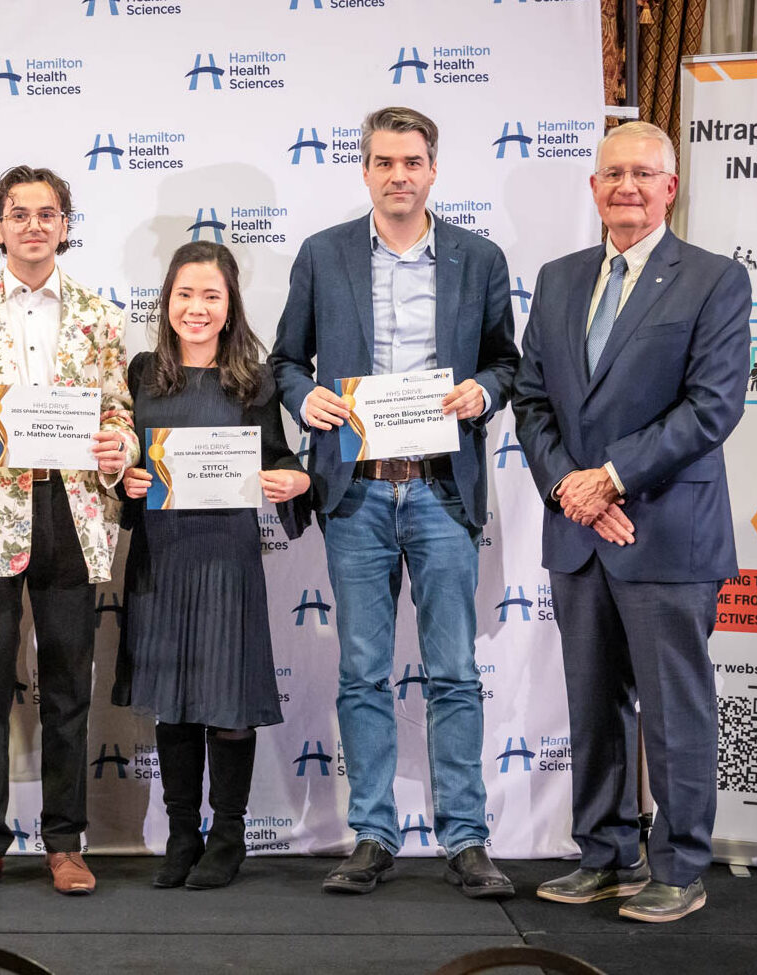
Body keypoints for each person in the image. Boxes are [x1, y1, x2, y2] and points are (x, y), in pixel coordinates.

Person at [268, 106, 520, 899]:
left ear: (434, 168)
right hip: (359, 493)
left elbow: (507, 364)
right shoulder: (323, 254)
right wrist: (304, 397)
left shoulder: (479, 258)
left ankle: (467, 839)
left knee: (452, 672)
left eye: (412, 161)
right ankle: (373, 833)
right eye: (384, 162)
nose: (398, 174)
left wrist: (484, 389)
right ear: (365, 170)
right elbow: (283, 362)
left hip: (442, 491)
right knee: (363, 672)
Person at [512, 121, 750, 923]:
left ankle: (679, 866)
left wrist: (610, 479)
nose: (627, 187)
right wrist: (568, 489)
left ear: (670, 187)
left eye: (644, 174)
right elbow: (532, 398)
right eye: (613, 173)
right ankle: (606, 853)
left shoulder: (714, 280)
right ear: (593, 187)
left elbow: (712, 407)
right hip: (578, 533)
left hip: (668, 530)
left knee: (674, 707)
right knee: (593, 703)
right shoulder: (557, 277)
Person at [0, 165, 137, 897]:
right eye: (20, 214)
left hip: (72, 513)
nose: (34, 225)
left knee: (70, 684)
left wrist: (121, 450)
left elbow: (119, 416)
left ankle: (65, 840)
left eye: (48, 213)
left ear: (66, 225)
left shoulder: (102, 317)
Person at [116, 241, 310, 890]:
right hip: (161, 558)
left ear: (230, 308)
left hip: (228, 561)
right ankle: (180, 834)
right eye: (184, 295)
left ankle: (227, 836)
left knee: (228, 706)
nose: (196, 308)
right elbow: (119, 468)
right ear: (166, 302)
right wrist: (128, 483)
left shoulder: (255, 380)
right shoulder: (141, 373)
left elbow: (279, 458)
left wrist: (292, 481)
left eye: (211, 296)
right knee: (174, 705)